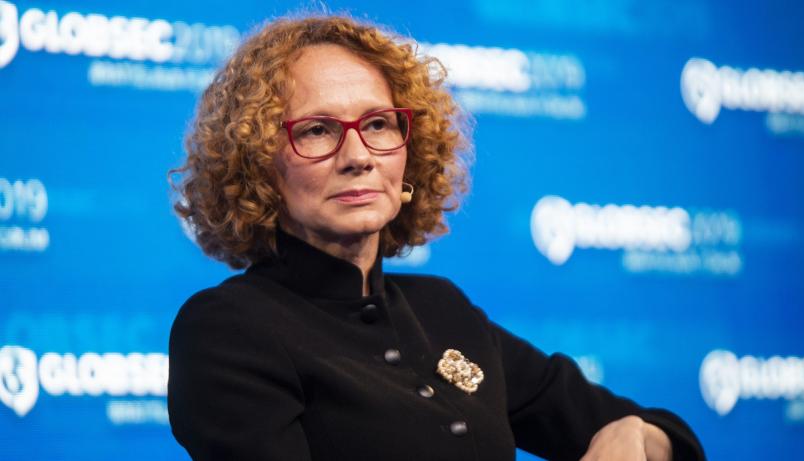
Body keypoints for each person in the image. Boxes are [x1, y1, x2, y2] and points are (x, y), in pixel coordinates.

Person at [167, 15, 706, 461]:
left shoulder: (444, 310)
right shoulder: (227, 329)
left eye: (378, 124)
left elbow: (665, 436)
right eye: (316, 130)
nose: (357, 156)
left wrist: (636, 436)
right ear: (257, 165)